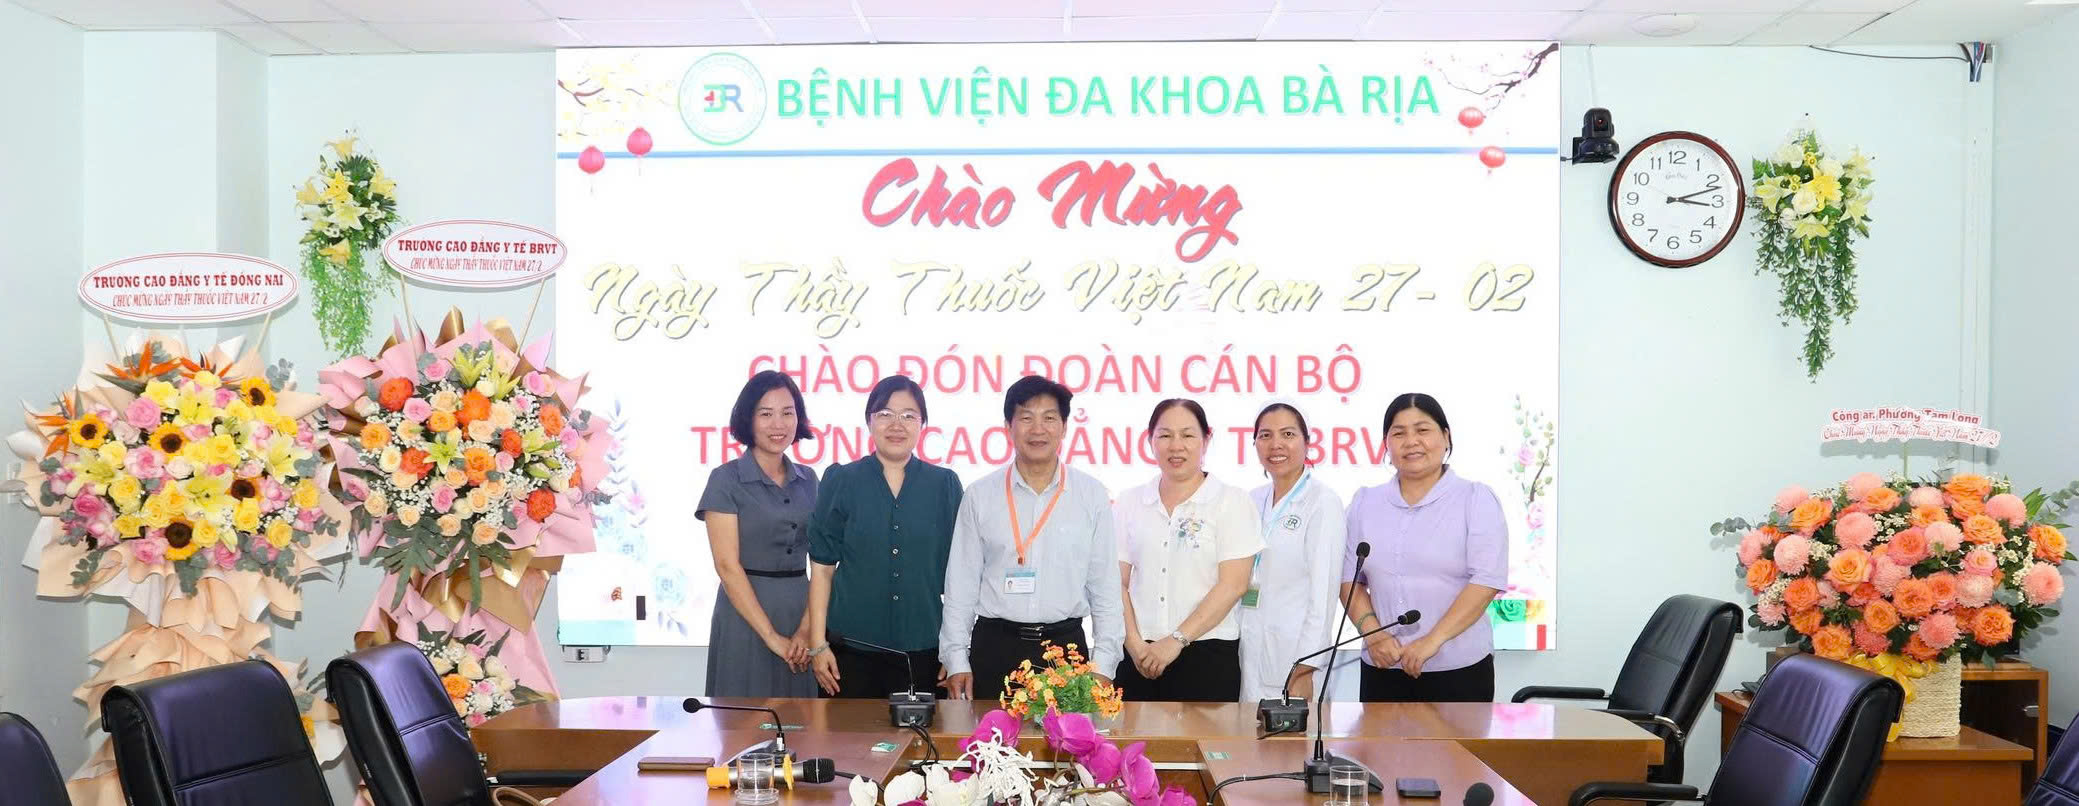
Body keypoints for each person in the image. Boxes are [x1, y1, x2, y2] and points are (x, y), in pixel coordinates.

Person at [939, 375, 1124, 702]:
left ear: (1064, 428)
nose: (1038, 429)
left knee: (1065, 737)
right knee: (988, 734)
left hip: (1065, 651)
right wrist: (955, 659)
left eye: (1049, 418)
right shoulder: (980, 495)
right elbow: (961, 585)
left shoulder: (1091, 495)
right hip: (994, 647)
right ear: (1008, 427)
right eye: (1026, 418)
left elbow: (1105, 587)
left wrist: (1105, 665)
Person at [1340, 393, 1508, 703]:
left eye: (1422, 430)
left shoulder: (1475, 499)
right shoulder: (1365, 503)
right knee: (1378, 739)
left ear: (1446, 437)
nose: (1411, 441)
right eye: (1399, 433)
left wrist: (1433, 641)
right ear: (1386, 444)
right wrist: (1373, 635)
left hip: (1458, 670)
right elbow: (1349, 581)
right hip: (1382, 665)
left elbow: (1486, 581)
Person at [806, 376, 963, 698]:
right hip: (849, 651)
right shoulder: (841, 480)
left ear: (923, 424)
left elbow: (961, 576)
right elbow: (822, 569)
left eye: (908, 415)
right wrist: (817, 645)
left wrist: (956, 649)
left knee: (924, 733)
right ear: (869, 421)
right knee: (846, 732)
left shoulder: (944, 485)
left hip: (925, 650)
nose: (896, 425)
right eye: (885, 414)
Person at [1114, 399, 1263, 702]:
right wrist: (1134, 644)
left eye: (1188, 435)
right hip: (1138, 656)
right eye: (1165, 435)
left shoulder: (1231, 501)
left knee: (1204, 736)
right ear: (1150, 440)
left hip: (1206, 654)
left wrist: (1176, 641)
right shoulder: (1129, 502)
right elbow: (1115, 582)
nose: (1176, 446)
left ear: (1206, 440)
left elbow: (1234, 585)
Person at [696, 370, 819, 697]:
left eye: (787, 412)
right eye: (766, 414)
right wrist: (772, 638)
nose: (778, 424)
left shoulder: (809, 479)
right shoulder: (725, 479)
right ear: (747, 419)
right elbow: (727, 566)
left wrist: (806, 629)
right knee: (744, 718)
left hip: (801, 614)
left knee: (802, 718)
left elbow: (823, 562)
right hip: (746, 618)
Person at [1239, 403, 1347, 702]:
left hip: (1295, 658)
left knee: (1292, 732)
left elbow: (1324, 595)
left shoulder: (1323, 502)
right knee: (1246, 728)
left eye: (1287, 434)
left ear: (1307, 442)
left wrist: (1306, 667)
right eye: (1265, 435)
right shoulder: (1252, 499)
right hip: (1249, 648)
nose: (1276, 444)